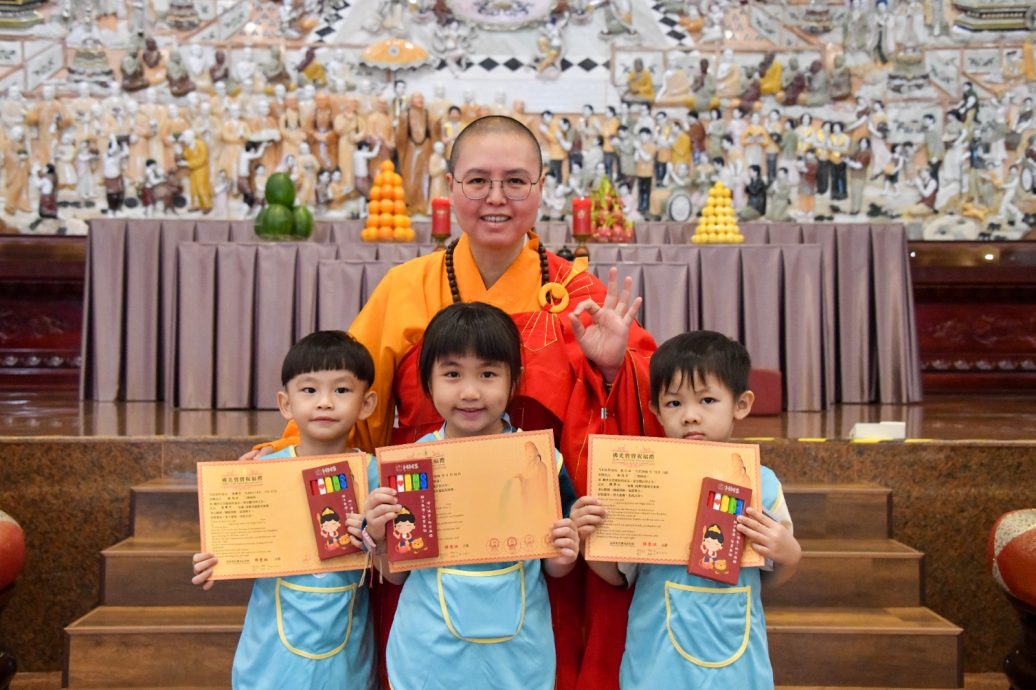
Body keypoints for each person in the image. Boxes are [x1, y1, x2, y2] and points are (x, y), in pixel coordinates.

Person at [255, 115, 662, 690]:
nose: (496, 197)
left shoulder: (579, 293)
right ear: (450, 188)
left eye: (515, 181)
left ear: (541, 189)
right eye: (478, 181)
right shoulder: (406, 286)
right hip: (429, 529)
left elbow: (660, 405)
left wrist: (616, 364)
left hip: (537, 545)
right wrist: (288, 454)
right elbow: (349, 397)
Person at [363, 302, 579, 690]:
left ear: (516, 380)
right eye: (451, 373)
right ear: (426, 382)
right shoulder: (406, 467)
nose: (470, 391)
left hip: (517, 654)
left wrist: (564, 554)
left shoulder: (544, 461)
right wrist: (379, 539)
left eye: (488, 373)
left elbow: (554, 567)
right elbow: (396, 577)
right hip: (429, 653)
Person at [571, 330, 801, 689]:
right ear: (655, 411)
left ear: (741, 404)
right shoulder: (645, 480)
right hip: (656, 658)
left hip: (735, 658)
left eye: (707, 400)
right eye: (674, 404)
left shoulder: (762, 483)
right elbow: (617, 574)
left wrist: (789, 552)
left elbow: (775, 572)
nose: (690, 416)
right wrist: (591, 540)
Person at [192, 331, 379, 690]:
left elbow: (393, 559)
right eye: (309, 390)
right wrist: (217, 560)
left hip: (346, 652)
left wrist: (375, 537)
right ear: (285, 404)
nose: (324, 402)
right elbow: (240, 546)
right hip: (271, 655)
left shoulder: (373, 473)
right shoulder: (264, 473)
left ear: (366, 403)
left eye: (341, 390)